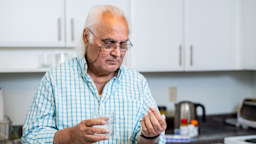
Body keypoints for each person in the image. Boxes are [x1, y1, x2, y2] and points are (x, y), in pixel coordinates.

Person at [22, 5, 166, 144]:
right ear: (86, 37)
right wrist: (70, 136)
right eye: (108, 43)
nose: (117, 53)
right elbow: (30, 137)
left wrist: (149, 137)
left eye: (122, 45)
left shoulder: (137, 83)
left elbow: (158, 140)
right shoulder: (55, 79)